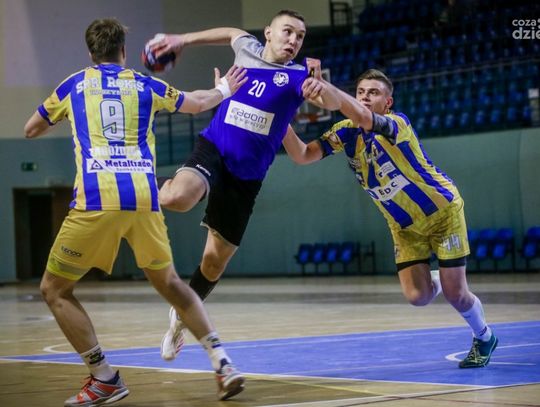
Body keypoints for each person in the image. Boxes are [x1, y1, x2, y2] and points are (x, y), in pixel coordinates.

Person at [23, 18, 249, 405]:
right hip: (143, 199)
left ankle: (104, 378)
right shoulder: (145, 84)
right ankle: (222, 363)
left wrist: (64, 116)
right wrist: (225, 88)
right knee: (172, 285)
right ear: (124, 52)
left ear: (91, 53)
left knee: (54, 289)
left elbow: (31, 129)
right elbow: (196, 103)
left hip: (97, 200)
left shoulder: (73, 85)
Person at [147, 10, 338, 361]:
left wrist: (321, 89)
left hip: (246, 178)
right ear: (268, 33)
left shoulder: (299, 76)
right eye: (287, 31)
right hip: (215, 149)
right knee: (178, 197)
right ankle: (136, 182)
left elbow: (329, 101)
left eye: (300, 36)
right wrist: (181, 40)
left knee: (213, 263)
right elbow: (229, 31)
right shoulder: (247, 50)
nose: (294, 40)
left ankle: (180, 318)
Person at [281, 68, 498, 368]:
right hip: (404, 226)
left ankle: (484, 337)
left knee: (457, 295)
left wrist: (328, 90)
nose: (365, 97)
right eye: (360, 92)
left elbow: (364, 117)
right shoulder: (346, 131)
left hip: (441, 213)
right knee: (417, 297)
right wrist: (279, 120)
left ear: (388, 102)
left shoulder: (397, 124)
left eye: (373, 93)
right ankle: (440, 278)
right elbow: (303, 155)